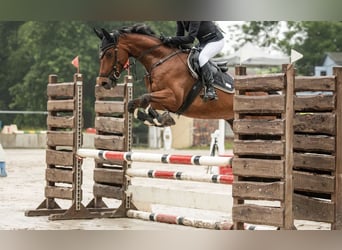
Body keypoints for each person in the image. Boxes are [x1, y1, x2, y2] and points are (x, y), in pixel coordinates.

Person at [162, 21, 225, 101]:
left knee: (202, 58)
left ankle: (210, 88)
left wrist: (170, 39)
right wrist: (167, 42)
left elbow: (190, 39)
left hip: (215, 40)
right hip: (203, 42)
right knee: (190, 55)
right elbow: (179, 38)